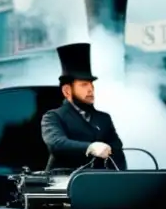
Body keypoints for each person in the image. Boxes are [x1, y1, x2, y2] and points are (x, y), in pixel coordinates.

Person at [41, 42, 126, 171]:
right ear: (67, 90)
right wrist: (90, 147)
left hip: (99, 181)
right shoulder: (53, 117)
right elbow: (56, 144)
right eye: (84, 85)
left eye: (92, 85)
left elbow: (117, 149)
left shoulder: (104, 118)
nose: (91, 90)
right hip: (63, 182)